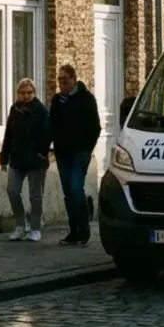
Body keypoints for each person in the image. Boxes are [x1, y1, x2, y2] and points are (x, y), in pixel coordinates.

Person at [48, 64, 101, 247]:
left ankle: (83, 231)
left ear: (73, 79)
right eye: (59, 80)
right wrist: (48, 146)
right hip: (63, 152)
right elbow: (51, 125)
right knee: (68, 192)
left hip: (80, 152)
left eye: (65, 80)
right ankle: (73, 230)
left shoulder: (86, 99)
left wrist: (87, 149)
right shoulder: (57, 100)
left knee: (76, 188)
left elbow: (95, 127)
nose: (62, 84)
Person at [0, 78, 49, 242]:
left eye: (29, 93)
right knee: (12, 191)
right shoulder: (14, 110)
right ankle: (20, 224)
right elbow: (9, 134)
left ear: (34, 93)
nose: (26, 96)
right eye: (23, 93)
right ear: (17, 94)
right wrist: (4, 158)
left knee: (35, 195)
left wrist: (41, 153)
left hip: (35, 159)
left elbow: (46, 134)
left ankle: (35, 227)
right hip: (17, 157)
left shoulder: (40, 110)